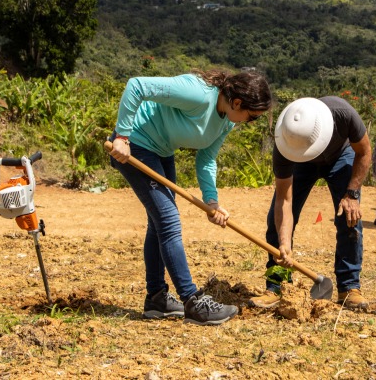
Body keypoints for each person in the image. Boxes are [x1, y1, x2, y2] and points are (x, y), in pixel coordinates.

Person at [108, 69, 272, 326]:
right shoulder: (197, 93)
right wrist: (122, 136)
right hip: (136, 144)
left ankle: (157, 299)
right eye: (251, 117)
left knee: (158, 222)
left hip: (161, 150)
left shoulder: (227, 120)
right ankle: (192, 302)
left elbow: (207, 158)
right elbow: (136, 85)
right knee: (168, 219)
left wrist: (212, 202)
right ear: (237, 102)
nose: (248, 122)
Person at [248, 97, 371, 310]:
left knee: (348, 217)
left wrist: (352, 194)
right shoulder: (285, 144)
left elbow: (364, 151)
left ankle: (349, 286)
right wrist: (284, 243)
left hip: (341, 156)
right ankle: (278, 285)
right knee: (275, 224)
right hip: (301, 163)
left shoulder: (343, 114)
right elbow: (284, 200)